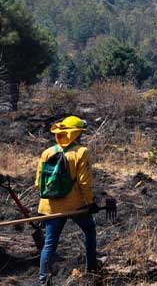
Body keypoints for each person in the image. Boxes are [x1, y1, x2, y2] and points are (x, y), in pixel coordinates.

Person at [36, 116, 98, 285]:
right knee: (90, 231)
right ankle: (92, 268)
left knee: (49, 244)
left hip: (49, 206)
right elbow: (84, 182)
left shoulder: (47, 152)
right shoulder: (81, 152)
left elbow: (38, 183)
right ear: (75, 134)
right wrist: (91, 202)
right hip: (75, 205)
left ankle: (43, 280)